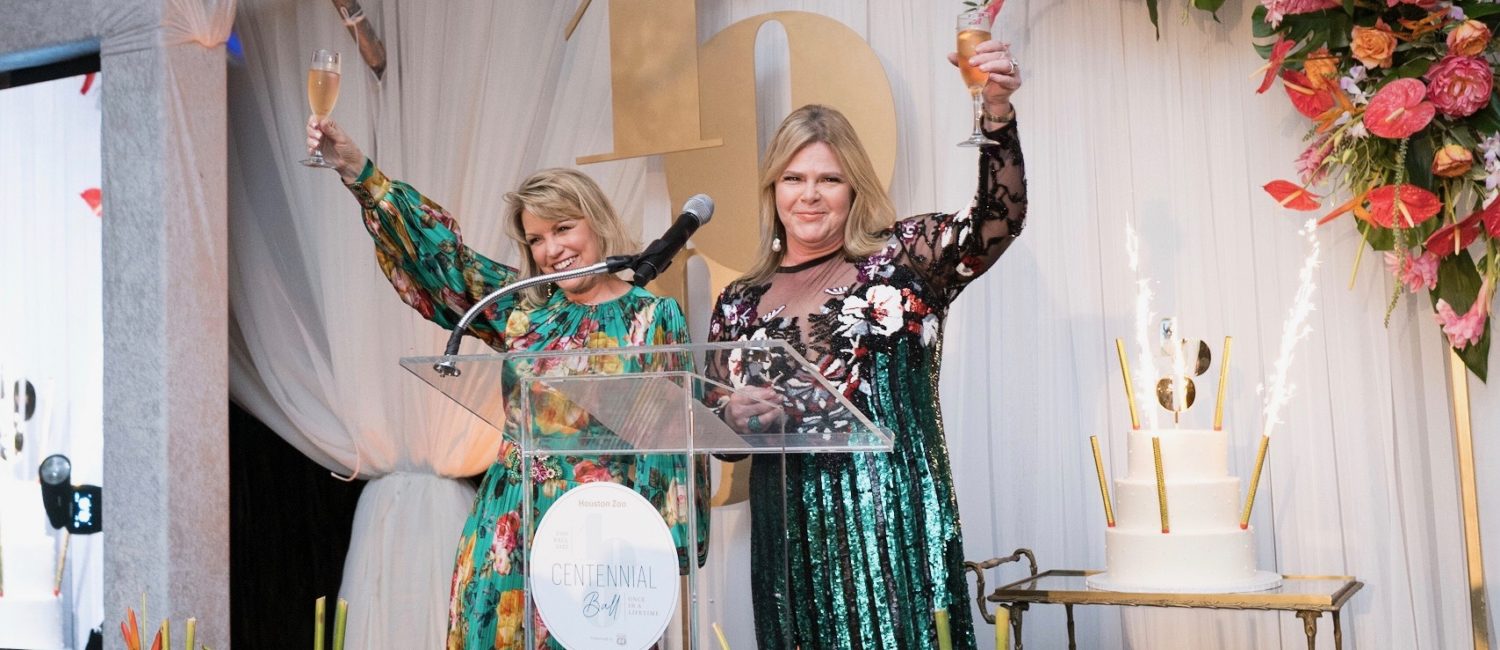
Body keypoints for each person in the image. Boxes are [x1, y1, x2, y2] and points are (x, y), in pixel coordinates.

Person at [306, 118, 710, 649]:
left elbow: (675, 445)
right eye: (536, 239)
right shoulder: (524, 309)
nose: (552, 250)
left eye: (563, 228)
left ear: (597, 222)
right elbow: (444, 262)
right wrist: (361, 173)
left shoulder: (654, 316)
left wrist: (664, 554)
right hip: (512, 529)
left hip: (606, 548)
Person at [705, 38, 1026, 648]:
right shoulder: (739, 302)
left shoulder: (903, 261)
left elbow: (997, 222)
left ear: (854, 188)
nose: (809, 194)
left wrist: (996, 114)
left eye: (830, 178)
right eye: (793, 178)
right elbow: (728, 450)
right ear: (772, 189)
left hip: (894, 526)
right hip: (788, 547)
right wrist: (733, 417)